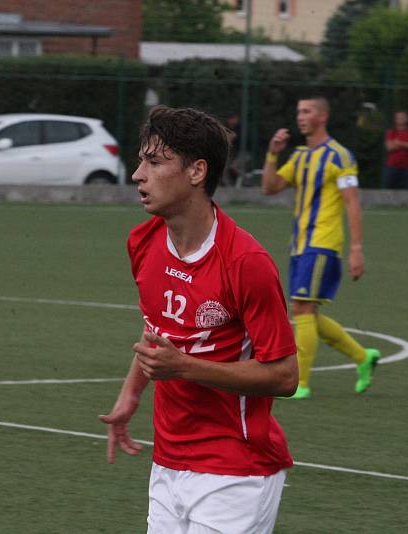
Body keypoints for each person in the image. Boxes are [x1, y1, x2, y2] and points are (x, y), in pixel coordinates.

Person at [99, 106, 298, 533]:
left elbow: (284, 376)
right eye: (141, 161)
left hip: (237, 468)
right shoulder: (143, 241)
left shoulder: (246, 262)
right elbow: (157, 331)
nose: (138, 174)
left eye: (154, 162)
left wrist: (185, 368)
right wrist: (130, 396)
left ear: (196, 172)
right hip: (168, 464)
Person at [261, 96, 380, 400]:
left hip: (323, 243)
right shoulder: (300, 155)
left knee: (301, 308)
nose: (300, 116)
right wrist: (273, 155)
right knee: (306, 312)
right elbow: (270, 188)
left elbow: (352, 202)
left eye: (307, 111)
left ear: (323, 116)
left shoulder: (339, 156)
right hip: (300, 245)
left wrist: (356, 248)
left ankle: (300, 382)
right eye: (299, 111)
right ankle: (362, 357)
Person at [384, 110, 408, 189]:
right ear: (395, 119)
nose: (401, 119)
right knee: (388, 189)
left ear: (407, 119)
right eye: (399, 117)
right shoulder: (391, 132)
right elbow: (389, 147)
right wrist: (406, 144)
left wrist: (399, 143)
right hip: (392, 166)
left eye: (403, 117)